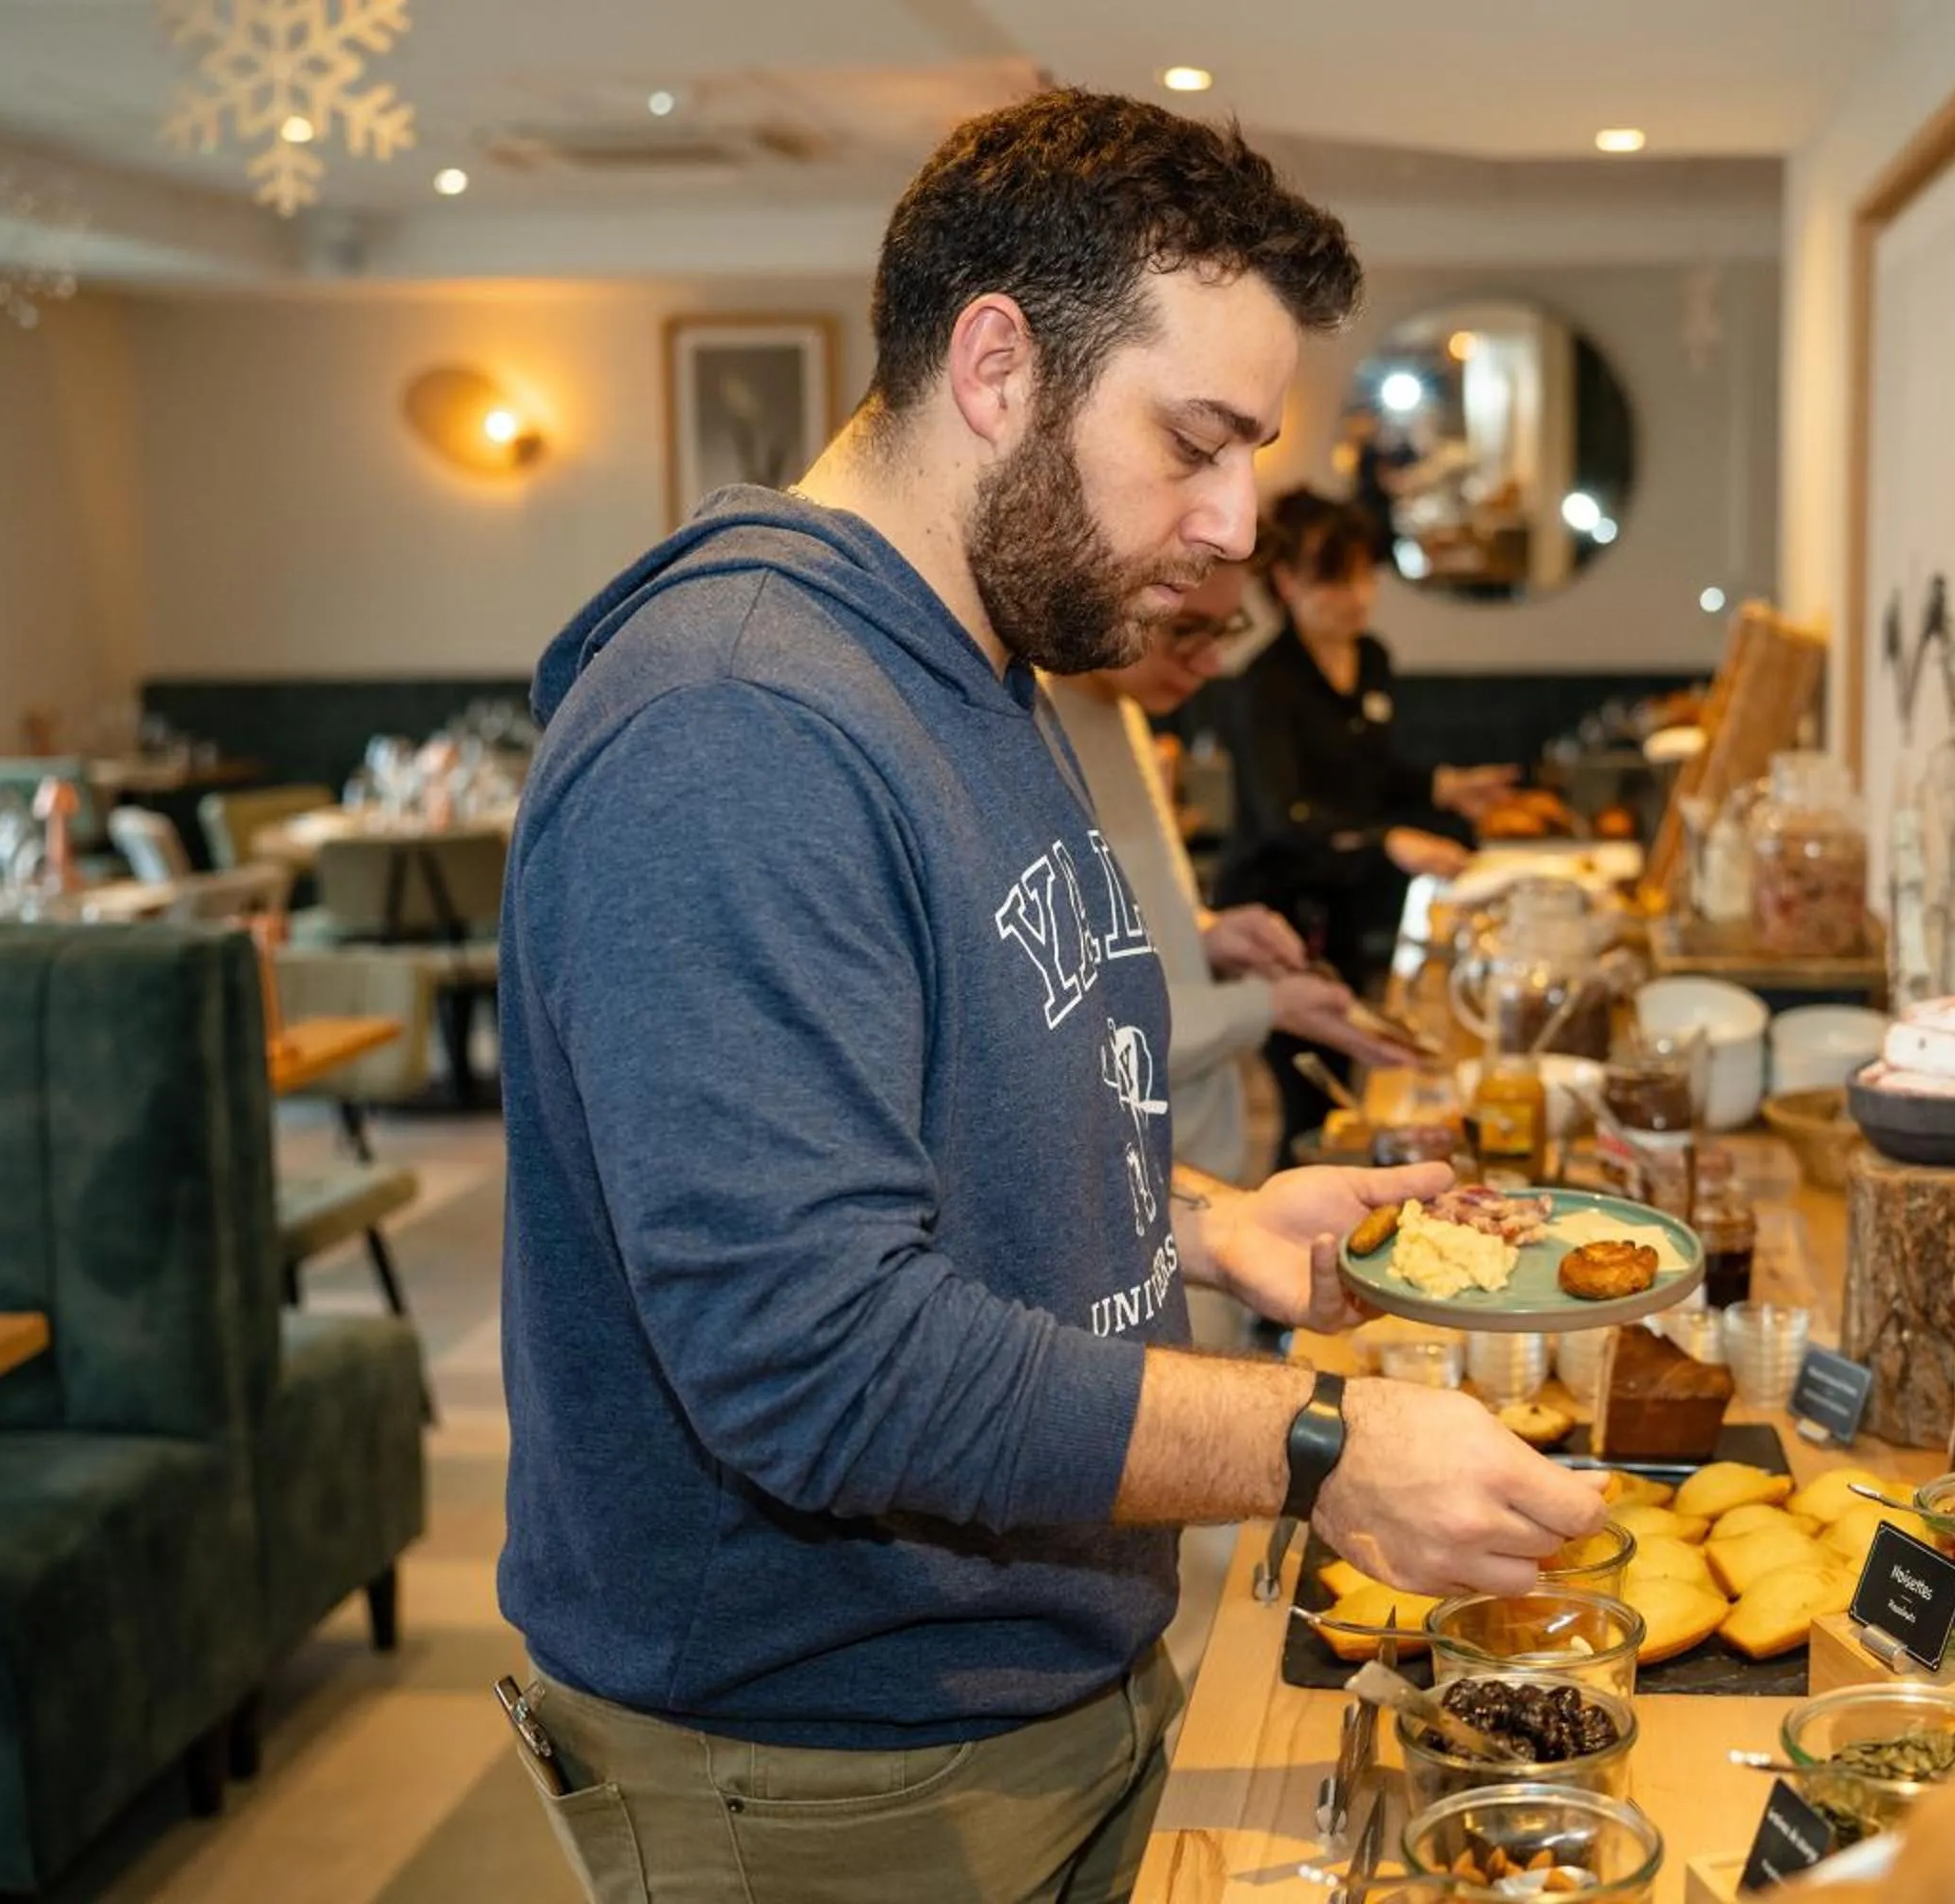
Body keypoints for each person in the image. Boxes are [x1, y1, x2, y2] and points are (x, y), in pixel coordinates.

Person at [494, 89, 1604, 1904]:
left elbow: (940, 1126)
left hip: (1027, 1679)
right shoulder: (737, 722)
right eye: (1196, 441)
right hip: (827, 1765)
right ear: (997, 366)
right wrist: (1314, 1446)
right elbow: (813, 1358)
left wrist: (1212, 1229)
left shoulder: (972, 664)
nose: (1240, 522)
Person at [1046, 563, 1414, 1182]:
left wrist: (1205, 934)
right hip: (1128, 1183)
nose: (1213, 663)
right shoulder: (1034, 735)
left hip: (1198, 1155)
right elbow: (1084, 1026)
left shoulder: (1124, 707)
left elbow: (1123, 928)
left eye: (1226, 629)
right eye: (1187, 630)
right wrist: (1265, 1005)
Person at [1214, 488, 1517, 1148]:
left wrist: (1444, 787)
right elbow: (1281, 815)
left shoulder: (1371, 658)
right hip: (1272, 918)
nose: (1359, 595)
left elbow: (1372, 769)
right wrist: (1391, 841)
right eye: (1336, 578)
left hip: (1342, 905)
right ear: (1287, 582)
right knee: (1303, 1094)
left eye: (1364, 575)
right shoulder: (1265, 686)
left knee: (1346, 1081)